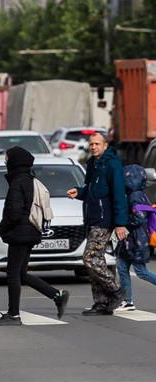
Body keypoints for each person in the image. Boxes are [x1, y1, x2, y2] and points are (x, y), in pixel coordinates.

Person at [0, 146, 70, 326]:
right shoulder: (31, 180)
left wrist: (2, 227)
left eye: (7, 160)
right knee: (21, 273)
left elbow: (14, 211)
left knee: (12, 273)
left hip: (20, 233)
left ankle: (13, 315)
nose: (5, 163)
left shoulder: (18, 182)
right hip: (31, 231)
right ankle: (57, 296)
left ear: (14, 162)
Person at [67, 132, 128, 316]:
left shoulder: (113, 164)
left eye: (97, 144)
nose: (93, 147)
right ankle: (101, 303)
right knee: (96, 261)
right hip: (91, 218)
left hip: (104, 220)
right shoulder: (93, 164)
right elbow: (93, 191)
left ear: (105, 145)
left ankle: (116, 290)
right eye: (91, 144)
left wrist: (119, 223)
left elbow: (118, 195)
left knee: (89, 258)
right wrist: (79, 192)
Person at [115, 165, 156, 311]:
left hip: (138, 240)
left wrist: (121, 220)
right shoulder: (138, 194)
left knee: (141, 271)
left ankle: (127, 300)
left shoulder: (134, 196)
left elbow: (139, 217)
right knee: (122, 266)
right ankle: (127, 301)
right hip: (132, 239)